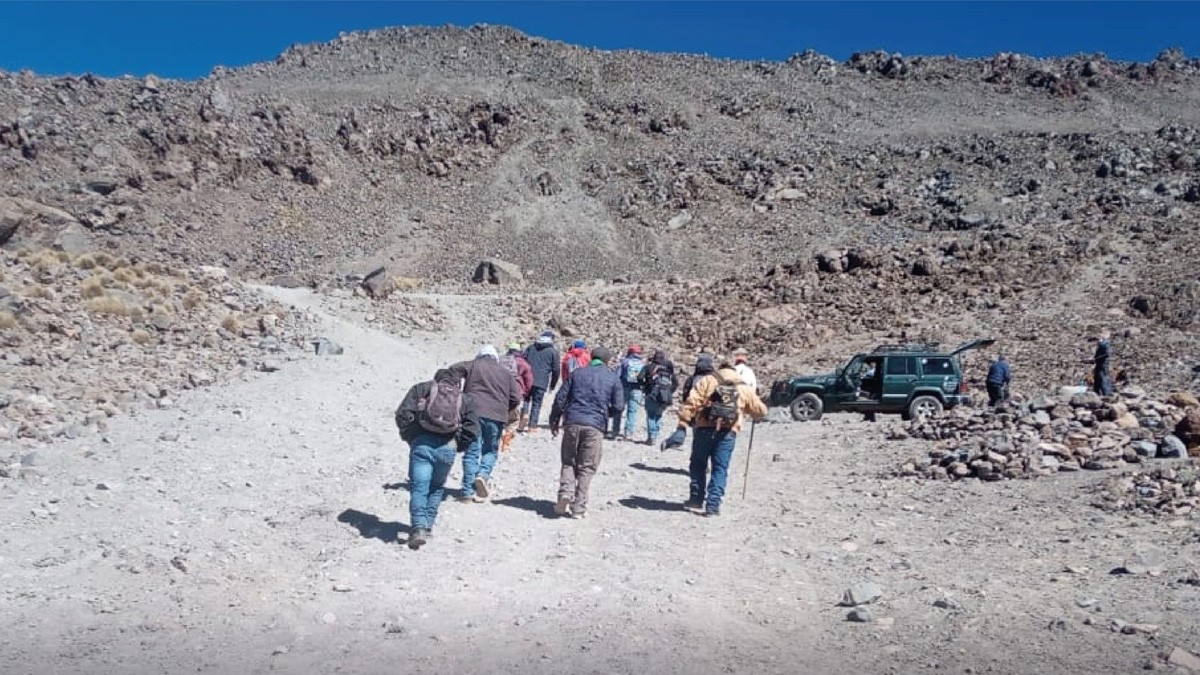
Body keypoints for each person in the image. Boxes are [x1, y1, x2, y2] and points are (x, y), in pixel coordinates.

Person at [662, 356, 768, 517]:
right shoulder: (743, 386)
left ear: (720, 368)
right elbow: (761, 411)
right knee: (720, 468)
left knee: (698, 465)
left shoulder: (708, 380)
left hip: (703, 429)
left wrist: (683, 423)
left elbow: (691, 403)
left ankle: (696, 499)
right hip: (727, 433)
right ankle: (712, 505)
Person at [394, 369, 479, 550]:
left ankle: (417, 528)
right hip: (448, 447)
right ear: (457, 383)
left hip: (422, 444)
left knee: (419, 486)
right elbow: (472, 430)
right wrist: (458, 445)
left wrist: (412, 437)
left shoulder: (421, 389)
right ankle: (428, 526)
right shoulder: (464, 399)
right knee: (437, 487)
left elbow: (402, 414)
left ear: (436, 380)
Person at [549, 346, 624, 519]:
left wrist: (554, 420)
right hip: (595, 426)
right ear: (607, 360)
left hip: (572, 422)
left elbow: (560, 399)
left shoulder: (577, 373)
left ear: (592, 357)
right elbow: (619, 406)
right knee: (587, 467)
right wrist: (605, 414)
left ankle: (565, 493)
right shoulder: (613, 378)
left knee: (568, 461)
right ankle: (578, 508)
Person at [447, 345, 522, 502]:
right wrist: (503, 407)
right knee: (490, 451)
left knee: (472, 451)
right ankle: (483, 475)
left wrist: (456, 390)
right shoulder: (506, 373)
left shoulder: (474, 364)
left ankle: (467, 492)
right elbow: (516, 397)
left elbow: (453, 369)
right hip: (497, 416)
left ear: (480, 355)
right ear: (495, 357)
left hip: (473, 413)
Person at [639, 348, 679, 446]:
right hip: (665, 396)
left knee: (651, 415)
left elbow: (640, 377)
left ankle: (652, 437)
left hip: (651, 394)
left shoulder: (648, 367)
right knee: (658, 415)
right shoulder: (669, 370)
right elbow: (675, 383)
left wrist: (644, 386)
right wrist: (669, 391)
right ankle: (655, 434)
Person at [522, 331, 560, 432]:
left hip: (527, 378)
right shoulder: (553, 351)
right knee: (537, 403)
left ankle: (524, 414)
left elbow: (523, 360)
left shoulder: (531, 347)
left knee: (526, 398)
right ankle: (532, 426)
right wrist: (552, 385)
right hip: (541, 381)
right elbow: (556, 370)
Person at [499, 341, 534, 452]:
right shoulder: (523, 363)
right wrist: (526, 392)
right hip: (516, 394)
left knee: (500, 419)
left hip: (500, 393)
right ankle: (506, 444)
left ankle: (498, 439)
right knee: (513, 420)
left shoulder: (500, 361)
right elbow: (529, 380)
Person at [611, 345, 647, 440]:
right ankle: (628, 432)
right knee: (632, 411)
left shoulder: (625, 362)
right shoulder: (642, 363)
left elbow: (617, 376)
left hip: (624, 388)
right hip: (637, 389)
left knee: (618, 409)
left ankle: (615, 430)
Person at [1083, 332, 1114, 396]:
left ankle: (1107, 393)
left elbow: (1106, 354)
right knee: (1098, 378)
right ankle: (1098, 392)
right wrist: (1091, 360)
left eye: (1096, 340)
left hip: (1103, 364)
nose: (1096, 343)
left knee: (1103, 378)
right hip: (1099, 364)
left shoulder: (1105, 345)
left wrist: (1095, 359)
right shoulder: (1102, 345)